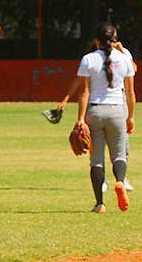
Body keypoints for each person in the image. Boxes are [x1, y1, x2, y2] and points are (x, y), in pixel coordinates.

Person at [56, 36, 137, 193]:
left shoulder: (122, 54)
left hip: (108, 104)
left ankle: (118, 181)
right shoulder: (93, 57)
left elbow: (133, 69)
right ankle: (111, 180)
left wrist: (121, 51)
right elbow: (80, 82)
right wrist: (66, 99)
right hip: (111, 106)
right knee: (110, 147)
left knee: (114, 147)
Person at [75, 22, 135, 214]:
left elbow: (84, 92)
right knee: (119, 155)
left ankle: (100, 204)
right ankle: (120, 182)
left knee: (96, 161)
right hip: (117, 110)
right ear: (114, 38)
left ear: (96, 41)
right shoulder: (124, 59)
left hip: (95, 112)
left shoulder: (88, 59)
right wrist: (131, 117)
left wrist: (80, 119)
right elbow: (130, 93)